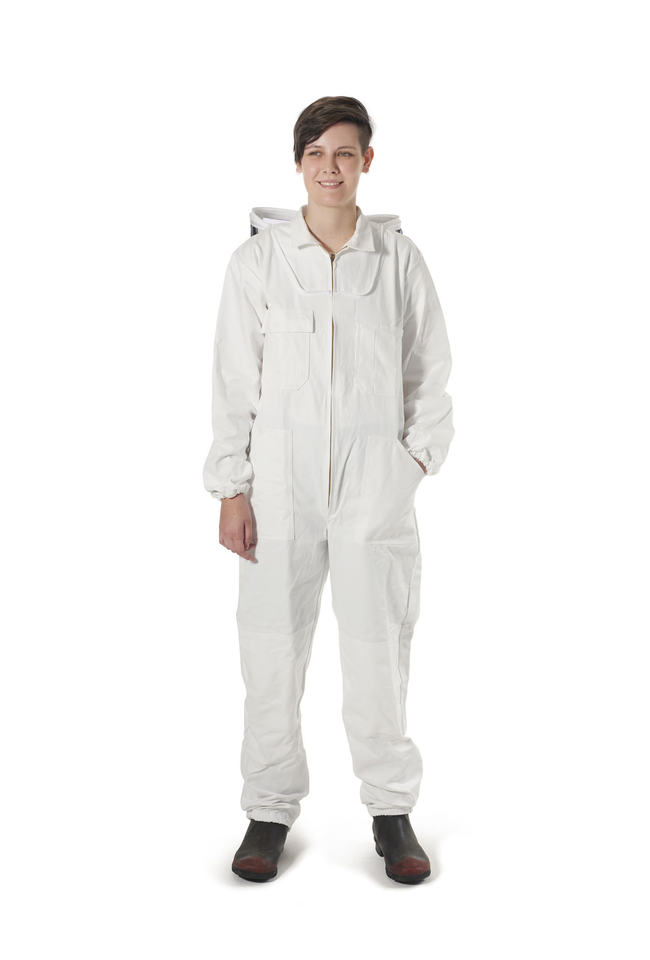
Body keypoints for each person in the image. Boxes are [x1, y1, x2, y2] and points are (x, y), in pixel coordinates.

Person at [203, 96, 454, 883]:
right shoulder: (258, 262)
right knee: (270, 647)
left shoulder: (397, 259)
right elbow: (233, 380)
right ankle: (268, 811)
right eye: (316, 153)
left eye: (345, 152)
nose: (330, 168)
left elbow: (429, 370)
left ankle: (391, 811)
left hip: (373, 485)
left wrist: (411, 463)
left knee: (380, 647)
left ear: (367, 161)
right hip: (279, 487)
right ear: (298, 163)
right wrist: (231, 486)